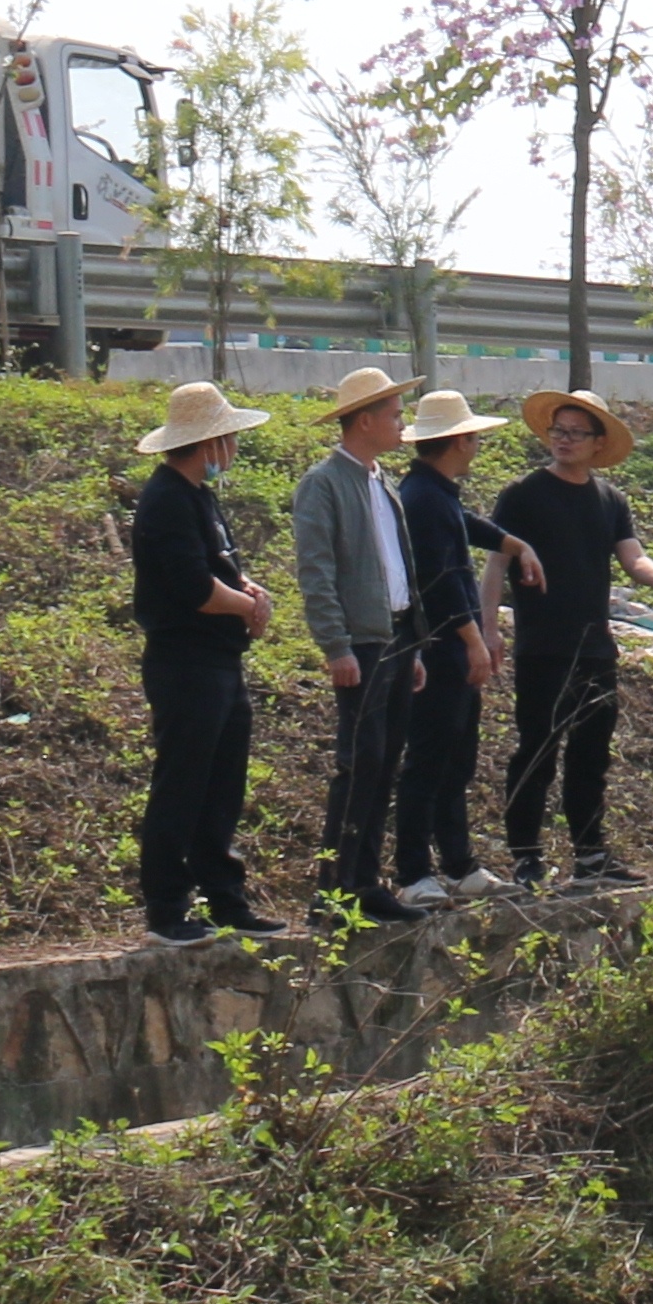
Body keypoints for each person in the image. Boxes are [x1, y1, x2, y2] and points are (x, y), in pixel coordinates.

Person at [487, 387, 653, 888]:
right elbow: (495, 563)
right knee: (536, 748)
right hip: (542, 643)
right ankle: (526, 855)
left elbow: (633, 558)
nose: (563, 440)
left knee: (590, 752)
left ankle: (589, 852)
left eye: (575, 433)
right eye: (557, 431)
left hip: (595, 646)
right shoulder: (523, 494)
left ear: (596, 442)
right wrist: (487, 627)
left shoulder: (609, 500)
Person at [122, 377, 278, 945]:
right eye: (227, 439)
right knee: (183, 784)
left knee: (222, 784)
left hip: (218, 659)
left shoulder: (199, 496)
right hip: (185, 660)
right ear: (207, 444)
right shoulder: (164, 498)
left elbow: (222, 567)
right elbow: (195, 587)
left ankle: (224, 898)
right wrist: (246, 607)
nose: (232, 450)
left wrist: (248, 591)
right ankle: (167, 907)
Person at [288, 361, 433, 925]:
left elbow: (399, 568)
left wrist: (413, 644)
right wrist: (336, 645)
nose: (402, 425)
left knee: (386, 760)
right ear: (366, 420)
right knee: (359, 762)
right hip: (363, 644)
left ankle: (366, 882)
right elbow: (316, 571)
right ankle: (334, 887)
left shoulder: (382, 484)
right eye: (395, 415)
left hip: (394, 640)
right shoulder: (323, 484)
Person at [384, 390, 506, 908]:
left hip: (450, 647)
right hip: (438, 648)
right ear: (458, 441)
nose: (477, 445)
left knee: (456, 758)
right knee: (430, 760)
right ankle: (414, 869)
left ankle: (456, 861)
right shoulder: (425, 499)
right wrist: (474, 639)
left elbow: (467, 530)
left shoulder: (436, 492)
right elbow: (441, 582)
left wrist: (509, 542)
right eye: (474, 437)